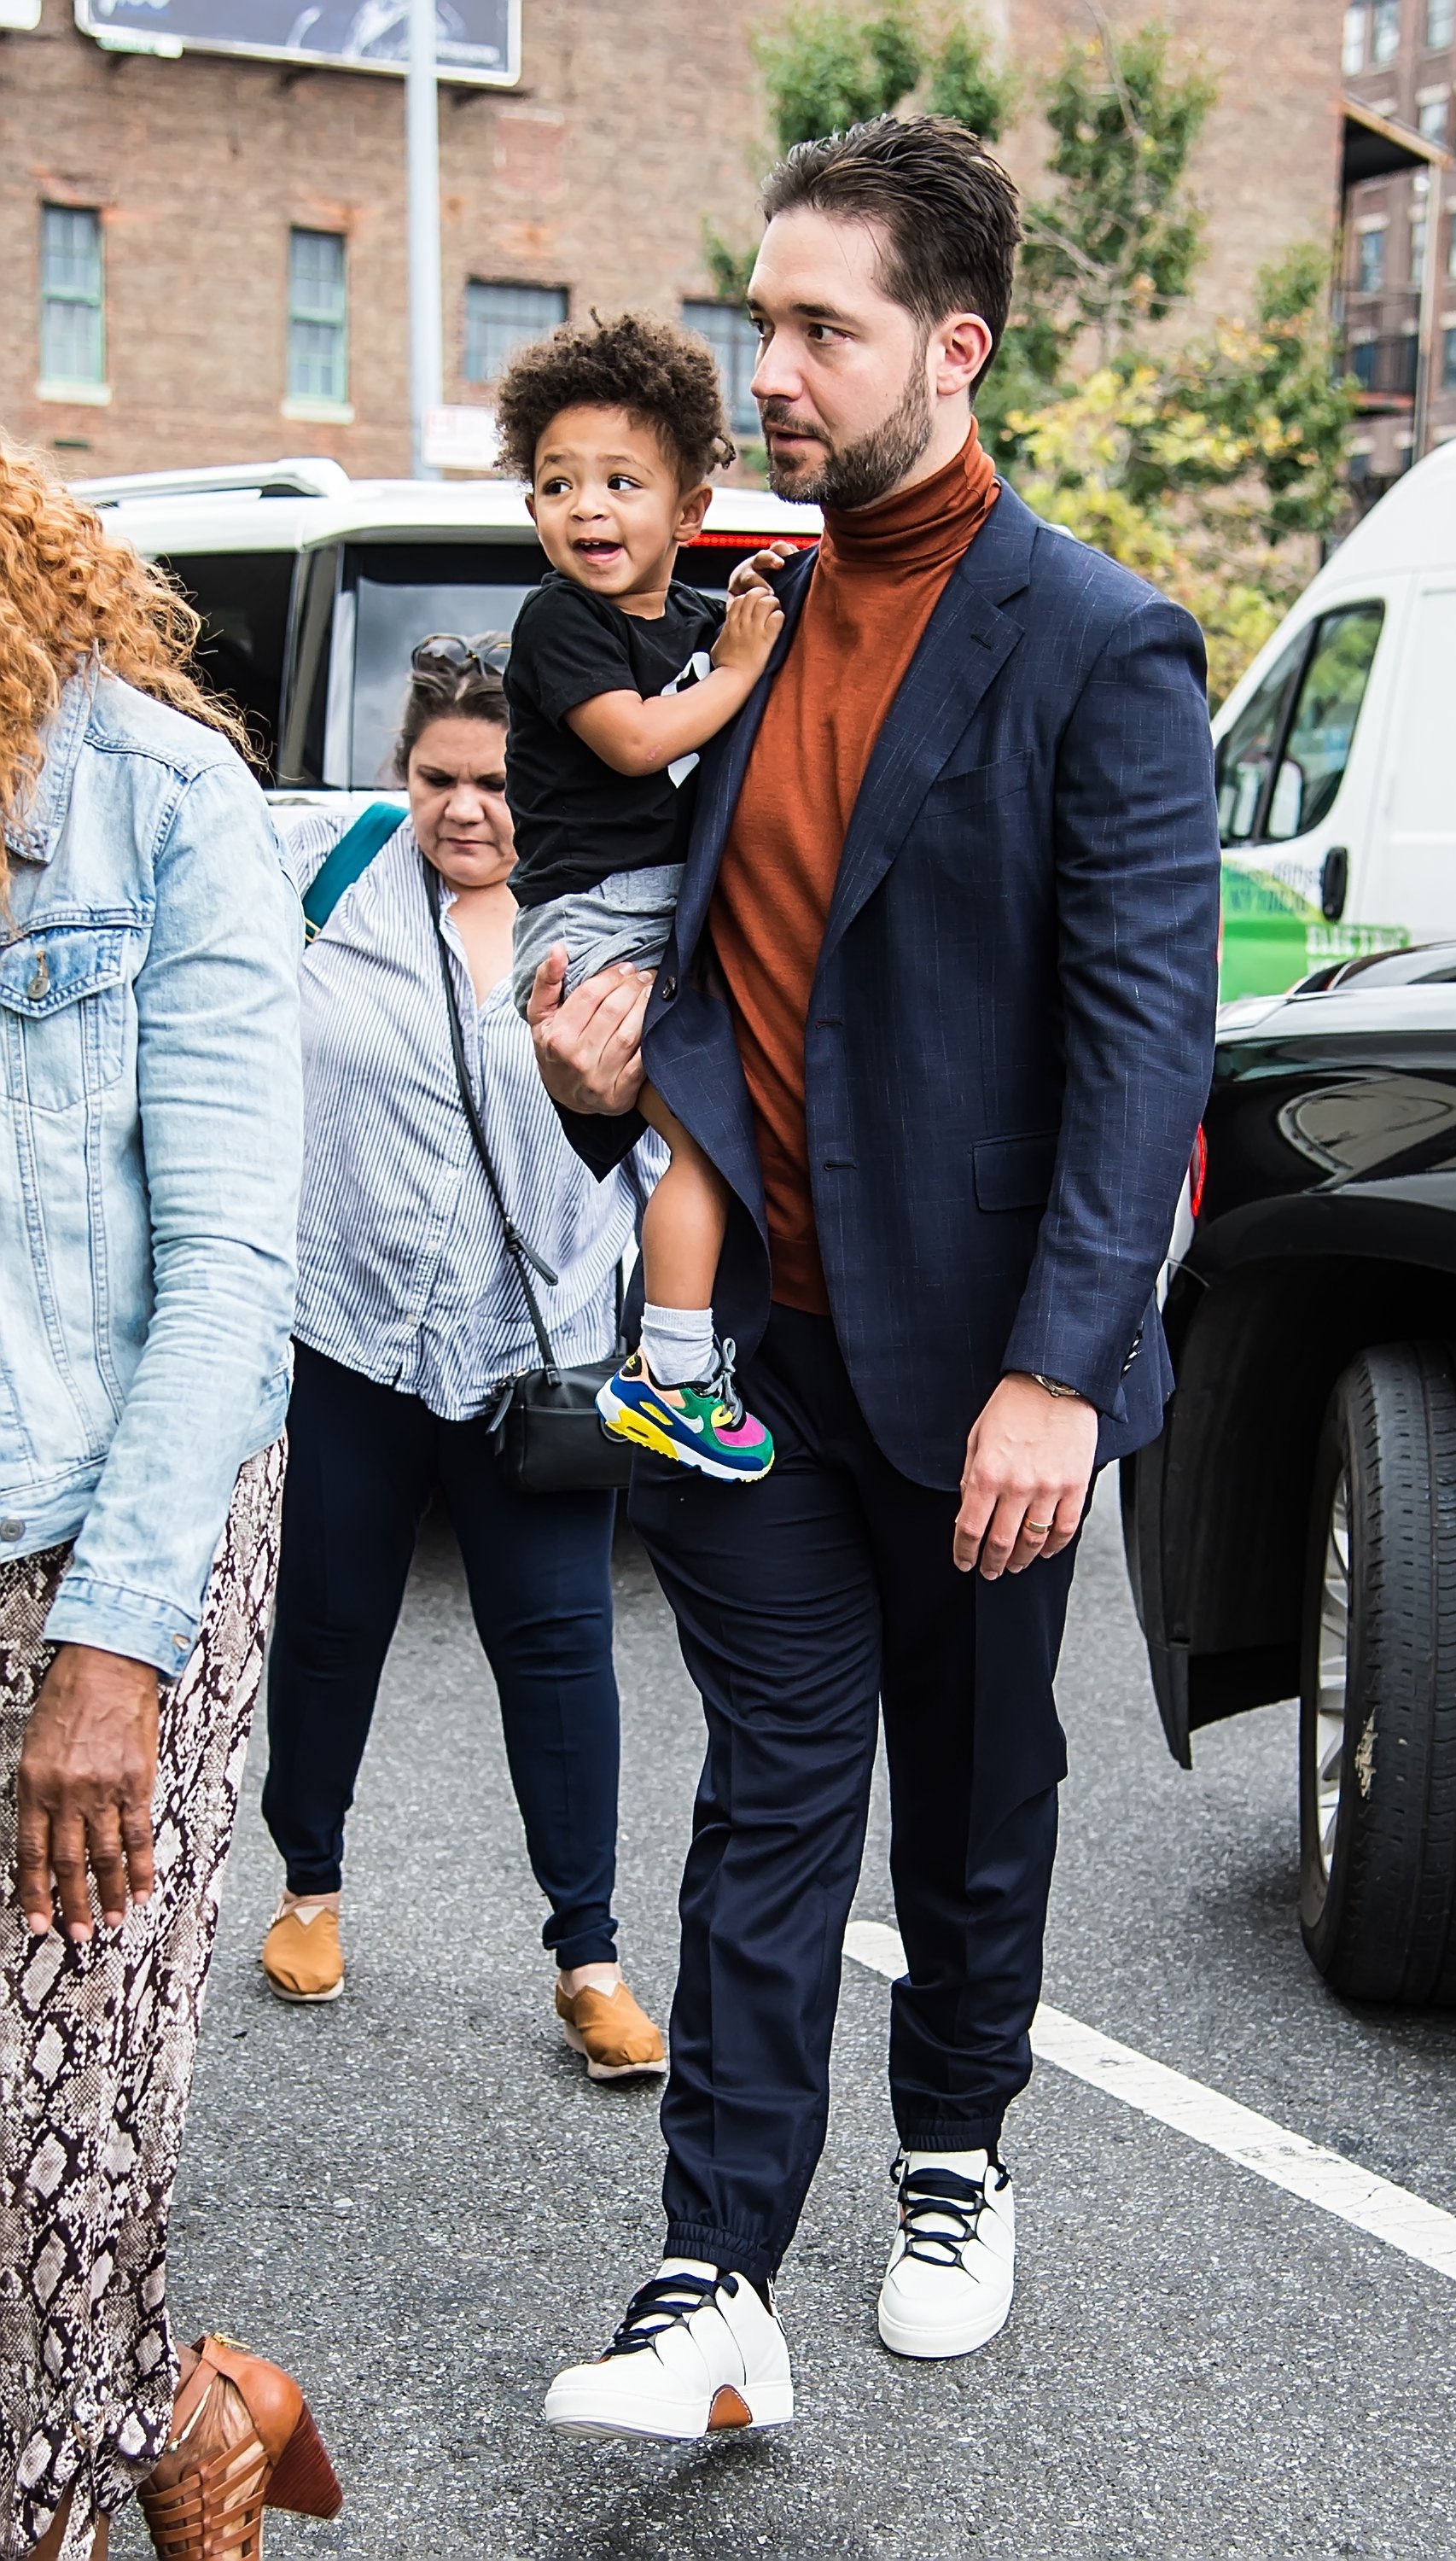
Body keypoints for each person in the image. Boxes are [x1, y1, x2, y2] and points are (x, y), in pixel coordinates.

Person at [528, 116, 1220, 2439]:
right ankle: (710, 2273)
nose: (777, 368)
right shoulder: (753, 622)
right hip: (752, 1359)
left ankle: (952, 2149)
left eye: (822, 326)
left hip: (984, 1365)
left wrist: (1062, 1366)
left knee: (977, 1791)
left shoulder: (1101, 640)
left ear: (956, 343)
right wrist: (596, 1076)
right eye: (762, 320)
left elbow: (1144, 1052)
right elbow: (718, 979)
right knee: (775, 1789)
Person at [0, 443, 340, 2558]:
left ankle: (55, 2484)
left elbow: (227, 1262)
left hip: (119, 1541)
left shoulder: (154, 800)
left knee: (43, 2118)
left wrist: (108, 1650)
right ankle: (187, 2412)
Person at [259, 636, 667, 2085]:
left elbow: (675, 1133)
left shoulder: (618, 923)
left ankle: (591, 1960)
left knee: (559, 1654)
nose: (468, 809)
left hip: (532, 1354)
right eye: (439, 778)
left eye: (497, 780)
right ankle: (310, 1886)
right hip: (347, 1329)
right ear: (401, 775)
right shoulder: (329, 867)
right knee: (326, 1621)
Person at [498, 312, 783, 1484]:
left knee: (715, 1138)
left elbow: (743, 655)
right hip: (594, 920)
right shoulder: (559, 620)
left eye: (622, 481)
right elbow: (633, 741)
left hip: (656, 911)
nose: (589, 508)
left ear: (691, 514)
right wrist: (740, 674)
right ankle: (667, 1373)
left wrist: (761, 612)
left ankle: (675, 1361)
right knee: (702, 1147)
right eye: (559, 484)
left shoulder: (700, 624)